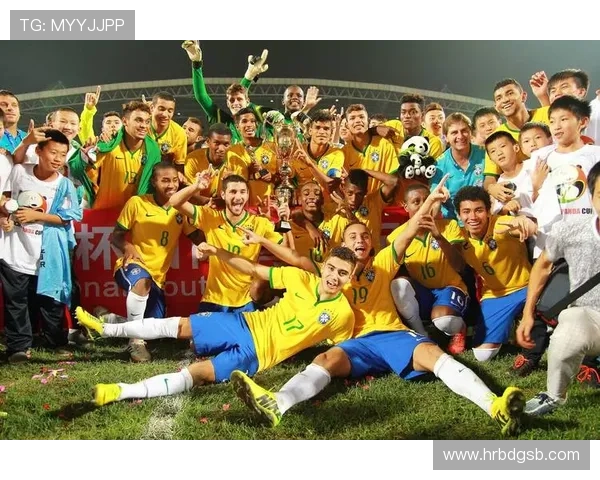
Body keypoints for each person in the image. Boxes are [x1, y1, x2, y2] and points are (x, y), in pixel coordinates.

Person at [231, 176, 528, 436]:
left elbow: (411, 228)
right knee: (325, 359)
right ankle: (278, 402)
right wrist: (262, 239)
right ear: (343, 245)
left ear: (371, 244)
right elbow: (296, 259)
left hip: (392, 335)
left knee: (434, 355)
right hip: (355, 344)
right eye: (352, 236)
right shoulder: (331, 272)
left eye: (364, 236)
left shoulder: (383, 262)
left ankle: (494, 405)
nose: (360, 240)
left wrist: (431, 201)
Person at [74, 246, 357, 406]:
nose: (334, 277)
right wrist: (218, 252)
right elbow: (252, 269)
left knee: (197, 374)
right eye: (331, 268)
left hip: (256, 355)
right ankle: (106, 330)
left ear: (350, 278)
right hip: (242, 322)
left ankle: (121, 390)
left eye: (343, 273)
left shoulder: (343, 314)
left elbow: (344, 350)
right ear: (323, 266)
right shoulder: (300, 278)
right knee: (181, 326)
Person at [519, 161, 600, 415]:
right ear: (591, 196)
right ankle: (554, 395)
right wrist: (528, 314)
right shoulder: (571, 230)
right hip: (592, 317)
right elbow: (543, 266)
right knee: (570, 326)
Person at [108, 162, 205, 362]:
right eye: (165, 180)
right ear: (154, 181)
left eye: (175, 180)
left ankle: (110, 321)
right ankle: (135, 343)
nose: (171, 185)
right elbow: (115, 236)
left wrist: (217, 241)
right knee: (142, 283)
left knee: (154, 328)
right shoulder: (137, 203)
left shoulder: (181, 209)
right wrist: (128, 247)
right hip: (132, 265)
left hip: (158, 279)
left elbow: (197, 237)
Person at [0, 130, 82, 362]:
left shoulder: (64, 185)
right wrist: (6, 215)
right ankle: (18, 347)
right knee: (16, 301)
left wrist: (37, 216)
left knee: (51, 300)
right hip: (15, 250)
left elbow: (68, 217)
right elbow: (5, 199)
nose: (58, 159)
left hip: (49, 253)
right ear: (38, 151)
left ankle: (55, 341)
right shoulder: (19, 172)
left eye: (63, 154)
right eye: (53, 152)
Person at [170, 173, 288, 313]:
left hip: (245, 302)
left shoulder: (260, 223)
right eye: (233, 192)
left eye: (242, 192)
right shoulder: (210, 217)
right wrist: (196, 186)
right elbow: (174, 202)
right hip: (213, 299)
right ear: (223, 195)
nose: (238, 197)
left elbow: (285, 251)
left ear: (247, 195)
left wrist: (284, 221)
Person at [455, 186, 535, 361]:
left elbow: (522, 225)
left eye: (479, 210)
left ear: (488, 211)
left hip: (526, 288)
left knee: (545, 327)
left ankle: (529, 319)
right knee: (483, 355)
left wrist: (524, 222)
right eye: (466, 212)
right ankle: (511, 325)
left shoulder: (500, 224)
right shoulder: (459, 237)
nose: (473, 217)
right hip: (495, 294)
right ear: (459, 215)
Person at [388, 183, 468, 338]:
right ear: (405, 206)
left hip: (450, 287)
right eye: (416, 202)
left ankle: (460, 328)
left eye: (427, 200)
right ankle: (421, 332)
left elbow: (460, 266)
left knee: (445, 321)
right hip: (423, 293)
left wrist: (438, 236)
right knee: (398, 285)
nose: (423, 206)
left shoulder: (449, 226)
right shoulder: (396, 236)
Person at [68, 101, 162, 210]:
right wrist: (85, 156)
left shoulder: (153, 151)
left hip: (135, 215)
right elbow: (77, 170)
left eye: (147, 121)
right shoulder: (107, 146)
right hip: (105, 213)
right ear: (125, 121)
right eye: (138, 120)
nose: (143, 126)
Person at [484, 79, 550, 200]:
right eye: (499, 98)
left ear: (523, 96)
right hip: (524, 197)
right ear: (496, 107)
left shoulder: (546, 113)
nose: (505, 100)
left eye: (510, 93)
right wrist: (491, 188)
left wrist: (543, 96)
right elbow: (490, 178)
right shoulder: (496, 137)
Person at [147, 92, 188, 168]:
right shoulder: (142, 125)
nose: (165, 115)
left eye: (170, 111)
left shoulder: (179, 133)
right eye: (161, 109)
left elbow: (179, 164)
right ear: (152, 108)